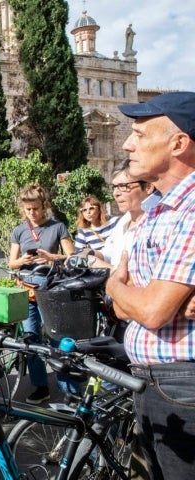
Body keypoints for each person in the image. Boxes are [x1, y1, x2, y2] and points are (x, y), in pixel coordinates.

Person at [105, 91, 195, 480]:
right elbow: (133, 306)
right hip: (151, 377)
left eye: (140, 135)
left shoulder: (189, 211)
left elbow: (153, 311)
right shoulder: (159, 208)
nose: (128, 144)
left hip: (180, 382)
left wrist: (113, 285)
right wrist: (132, 297)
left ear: (178, 143)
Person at [9, 184, 75, 404]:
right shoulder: (19, 230)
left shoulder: (57, 227)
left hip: (52, 288)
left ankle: (68, 389)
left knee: (57, 339)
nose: (32, 213)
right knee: (30, 340)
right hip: (27, 290)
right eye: (28, 209)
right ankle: (40, 386)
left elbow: (72, 258)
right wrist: (23, 261)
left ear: (44, 206)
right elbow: (12, 262)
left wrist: (50, 257)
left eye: (35, 209)